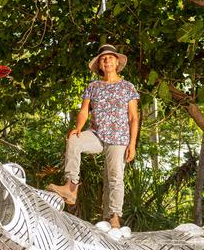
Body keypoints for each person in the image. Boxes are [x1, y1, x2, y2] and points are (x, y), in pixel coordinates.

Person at [47, 44, 139, 229]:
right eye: (103, 58)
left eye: (110, 57)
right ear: (99, 64)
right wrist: (78, 128)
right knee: (74, 140)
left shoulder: (127, 86)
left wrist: (132, 144)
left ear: (117, 61)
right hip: (97, 134)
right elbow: (83, 111)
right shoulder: (93, 86)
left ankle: (113, 217)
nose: (107, 60)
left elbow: (133, 117)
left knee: (115, 177)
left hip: (119, 138)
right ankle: (71, 187)